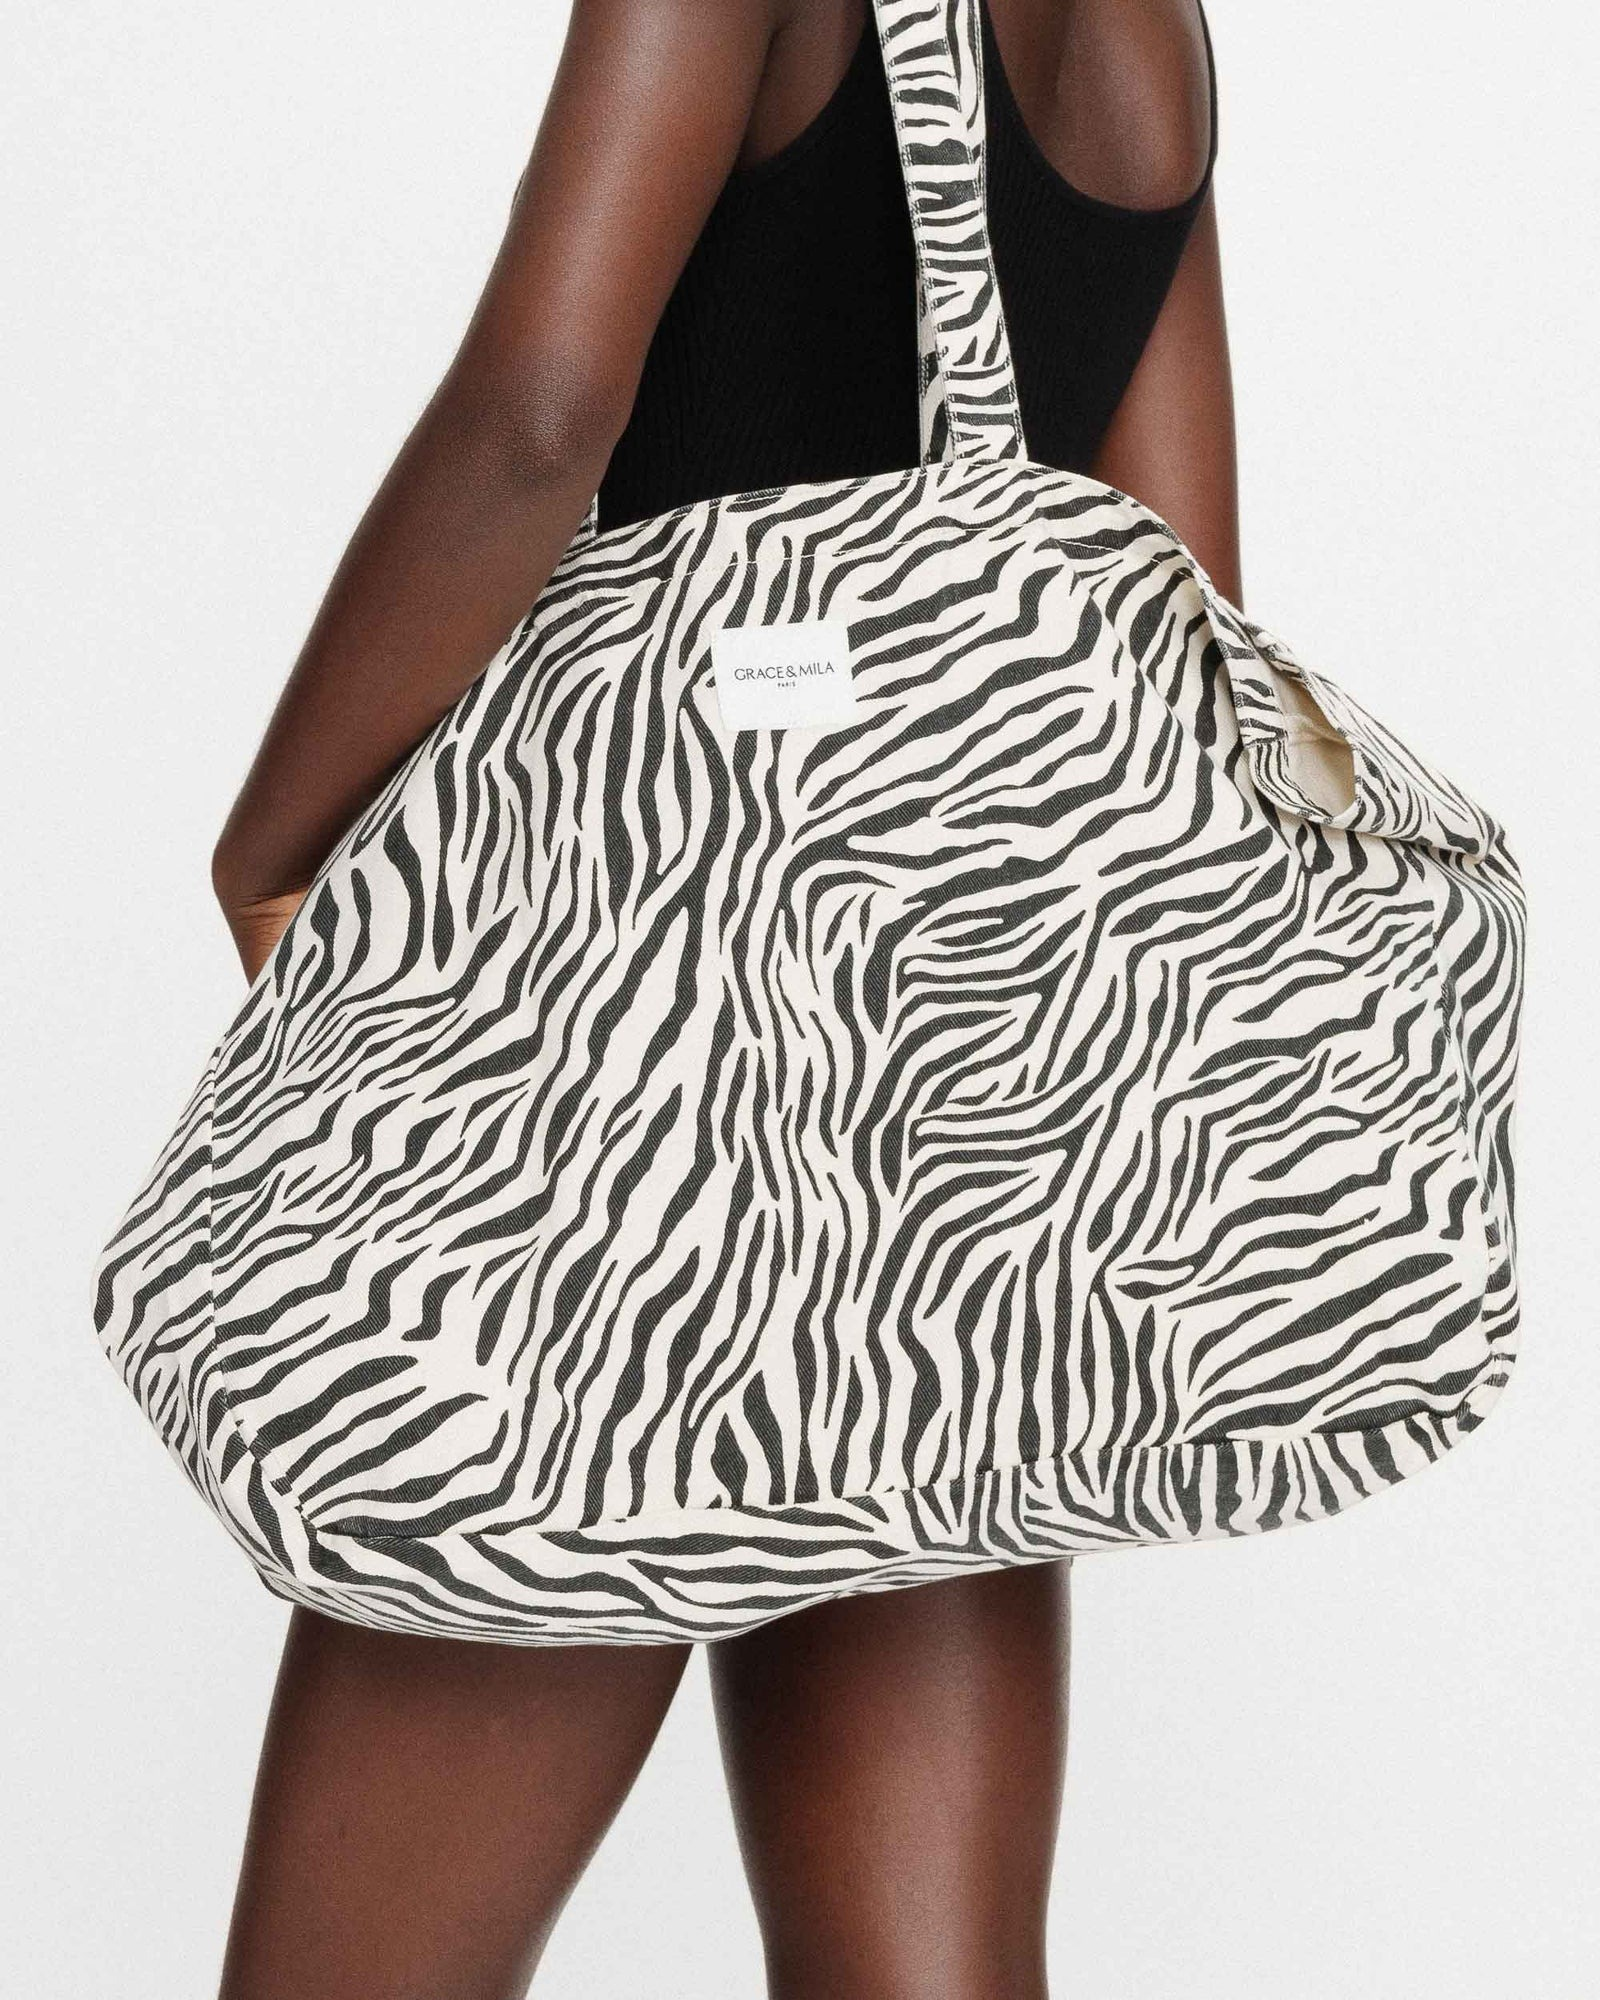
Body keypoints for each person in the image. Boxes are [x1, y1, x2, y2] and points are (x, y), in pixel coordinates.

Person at [209, 3, 1235, 1994]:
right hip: (949, 1113)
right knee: (920, 1969)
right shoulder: (1150, 28)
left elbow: (537, 413)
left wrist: (280, 840)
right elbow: (1170, 599)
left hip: (643, 1102)